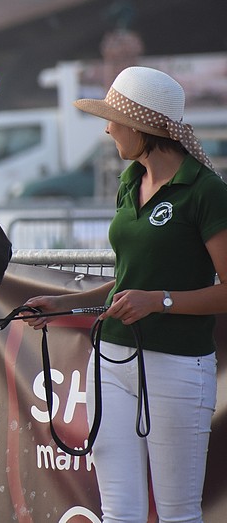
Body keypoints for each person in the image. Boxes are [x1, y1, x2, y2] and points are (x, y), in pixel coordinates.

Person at [20, 65, 227, 522]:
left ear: (143, 126)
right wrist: (63, 304)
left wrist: (160, 301)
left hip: (178, 365)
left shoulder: (207, 192)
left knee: (177, 514)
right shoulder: (129, 181)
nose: (108, 127)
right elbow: (132, 277)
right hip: (111, 362)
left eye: (114, 118)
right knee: (118, 511)